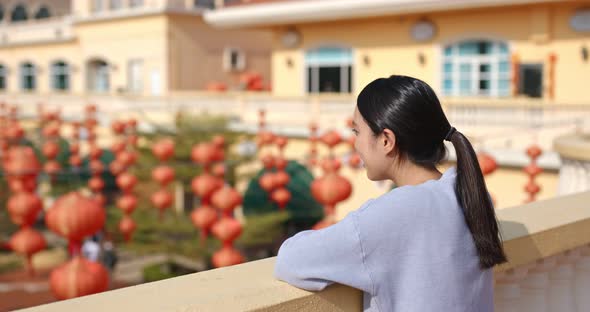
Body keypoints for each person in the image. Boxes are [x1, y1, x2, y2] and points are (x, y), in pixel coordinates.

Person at [274, 75, 507, 312]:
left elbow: (290, 261)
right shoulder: (466, 191)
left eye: (357, 132)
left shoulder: (393, 213)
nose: (355, 144)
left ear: (386, 140)